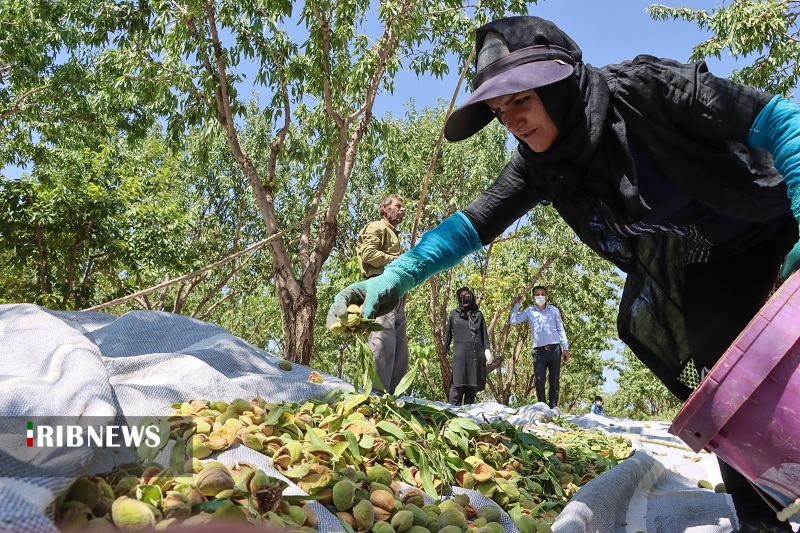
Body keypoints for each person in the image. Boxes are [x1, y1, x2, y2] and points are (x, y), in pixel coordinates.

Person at [329, 15, 800, 531]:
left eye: (520, 101)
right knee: (722, 375)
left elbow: (777, 119)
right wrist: (395, 277)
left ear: (560, 86)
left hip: (777, 216)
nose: (511, 120)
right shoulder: (544, 165)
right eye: (498, 110)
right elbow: (471, 224)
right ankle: (763, 510)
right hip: (715, 258)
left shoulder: (646, 91)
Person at [355, 194, 410, 395]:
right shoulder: (377, 227)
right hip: (382, 291)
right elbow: (368, 254)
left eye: (403, 206)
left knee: (399, 347)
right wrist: (398, 259)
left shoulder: (393, 233)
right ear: (385, 208)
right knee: (382, 341)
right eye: (398, 205)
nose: (403, 209)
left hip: (397, 295)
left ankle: (394, 396)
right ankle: (375, 393)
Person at [508, 286, 570, 409]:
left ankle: (553, 408)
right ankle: (543, 407)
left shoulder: (553, 310)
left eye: (542, 294)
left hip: (554, 350)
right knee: (539, 380)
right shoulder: (529, 311)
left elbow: (560, 329)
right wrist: (518, 304)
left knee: (554, 381)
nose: (540, 296)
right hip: (539, 353)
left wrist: (566, 348)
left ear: (546, 296)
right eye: (537, 294)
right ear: (533, 297)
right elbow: (513, 320)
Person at [444, 286, 491, 405]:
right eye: (461, 296)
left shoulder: (478, 315)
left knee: (472, 389)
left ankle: (467, 419)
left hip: (476, 355)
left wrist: (487, 350)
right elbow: (448, 332)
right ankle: (452, 418)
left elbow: (484, 334)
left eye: (466, 295)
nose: (464, 297)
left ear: (471, 296)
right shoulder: (454, 314)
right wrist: (446, 348)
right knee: (457, 387)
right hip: (460, 355)